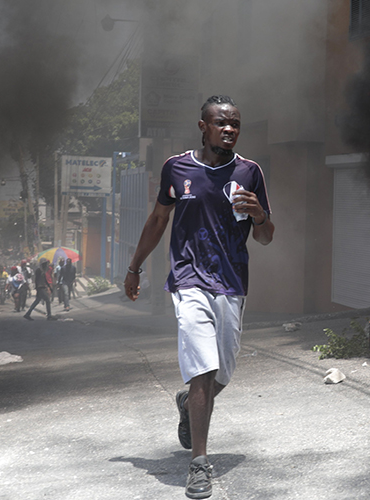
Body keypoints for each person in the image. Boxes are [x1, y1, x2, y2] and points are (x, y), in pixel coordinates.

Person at [123, 95, 274, 499]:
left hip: (231, 283)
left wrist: (260, 214)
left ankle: (188, 402)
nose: (229, 129)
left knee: (222, 371)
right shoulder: (177, 167)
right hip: (189, 280)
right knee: (203, 369)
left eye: (236, 123)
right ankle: (200, 463)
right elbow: (158, 219)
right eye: (221, 122)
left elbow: (264, 236)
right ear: (203, 126)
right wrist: (135, 266)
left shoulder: (250, 172)